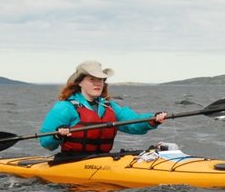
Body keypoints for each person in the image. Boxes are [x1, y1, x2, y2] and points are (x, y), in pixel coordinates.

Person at [39, 60, 167, 154]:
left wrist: (152, 120)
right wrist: (58, 135)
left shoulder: (109, 107)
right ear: (80, 82)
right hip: (71, 161)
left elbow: (133, 123)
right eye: (92, 80)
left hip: (102, 160)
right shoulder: (65, 108)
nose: (97, 84)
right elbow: (46, 143)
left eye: (100, 80)